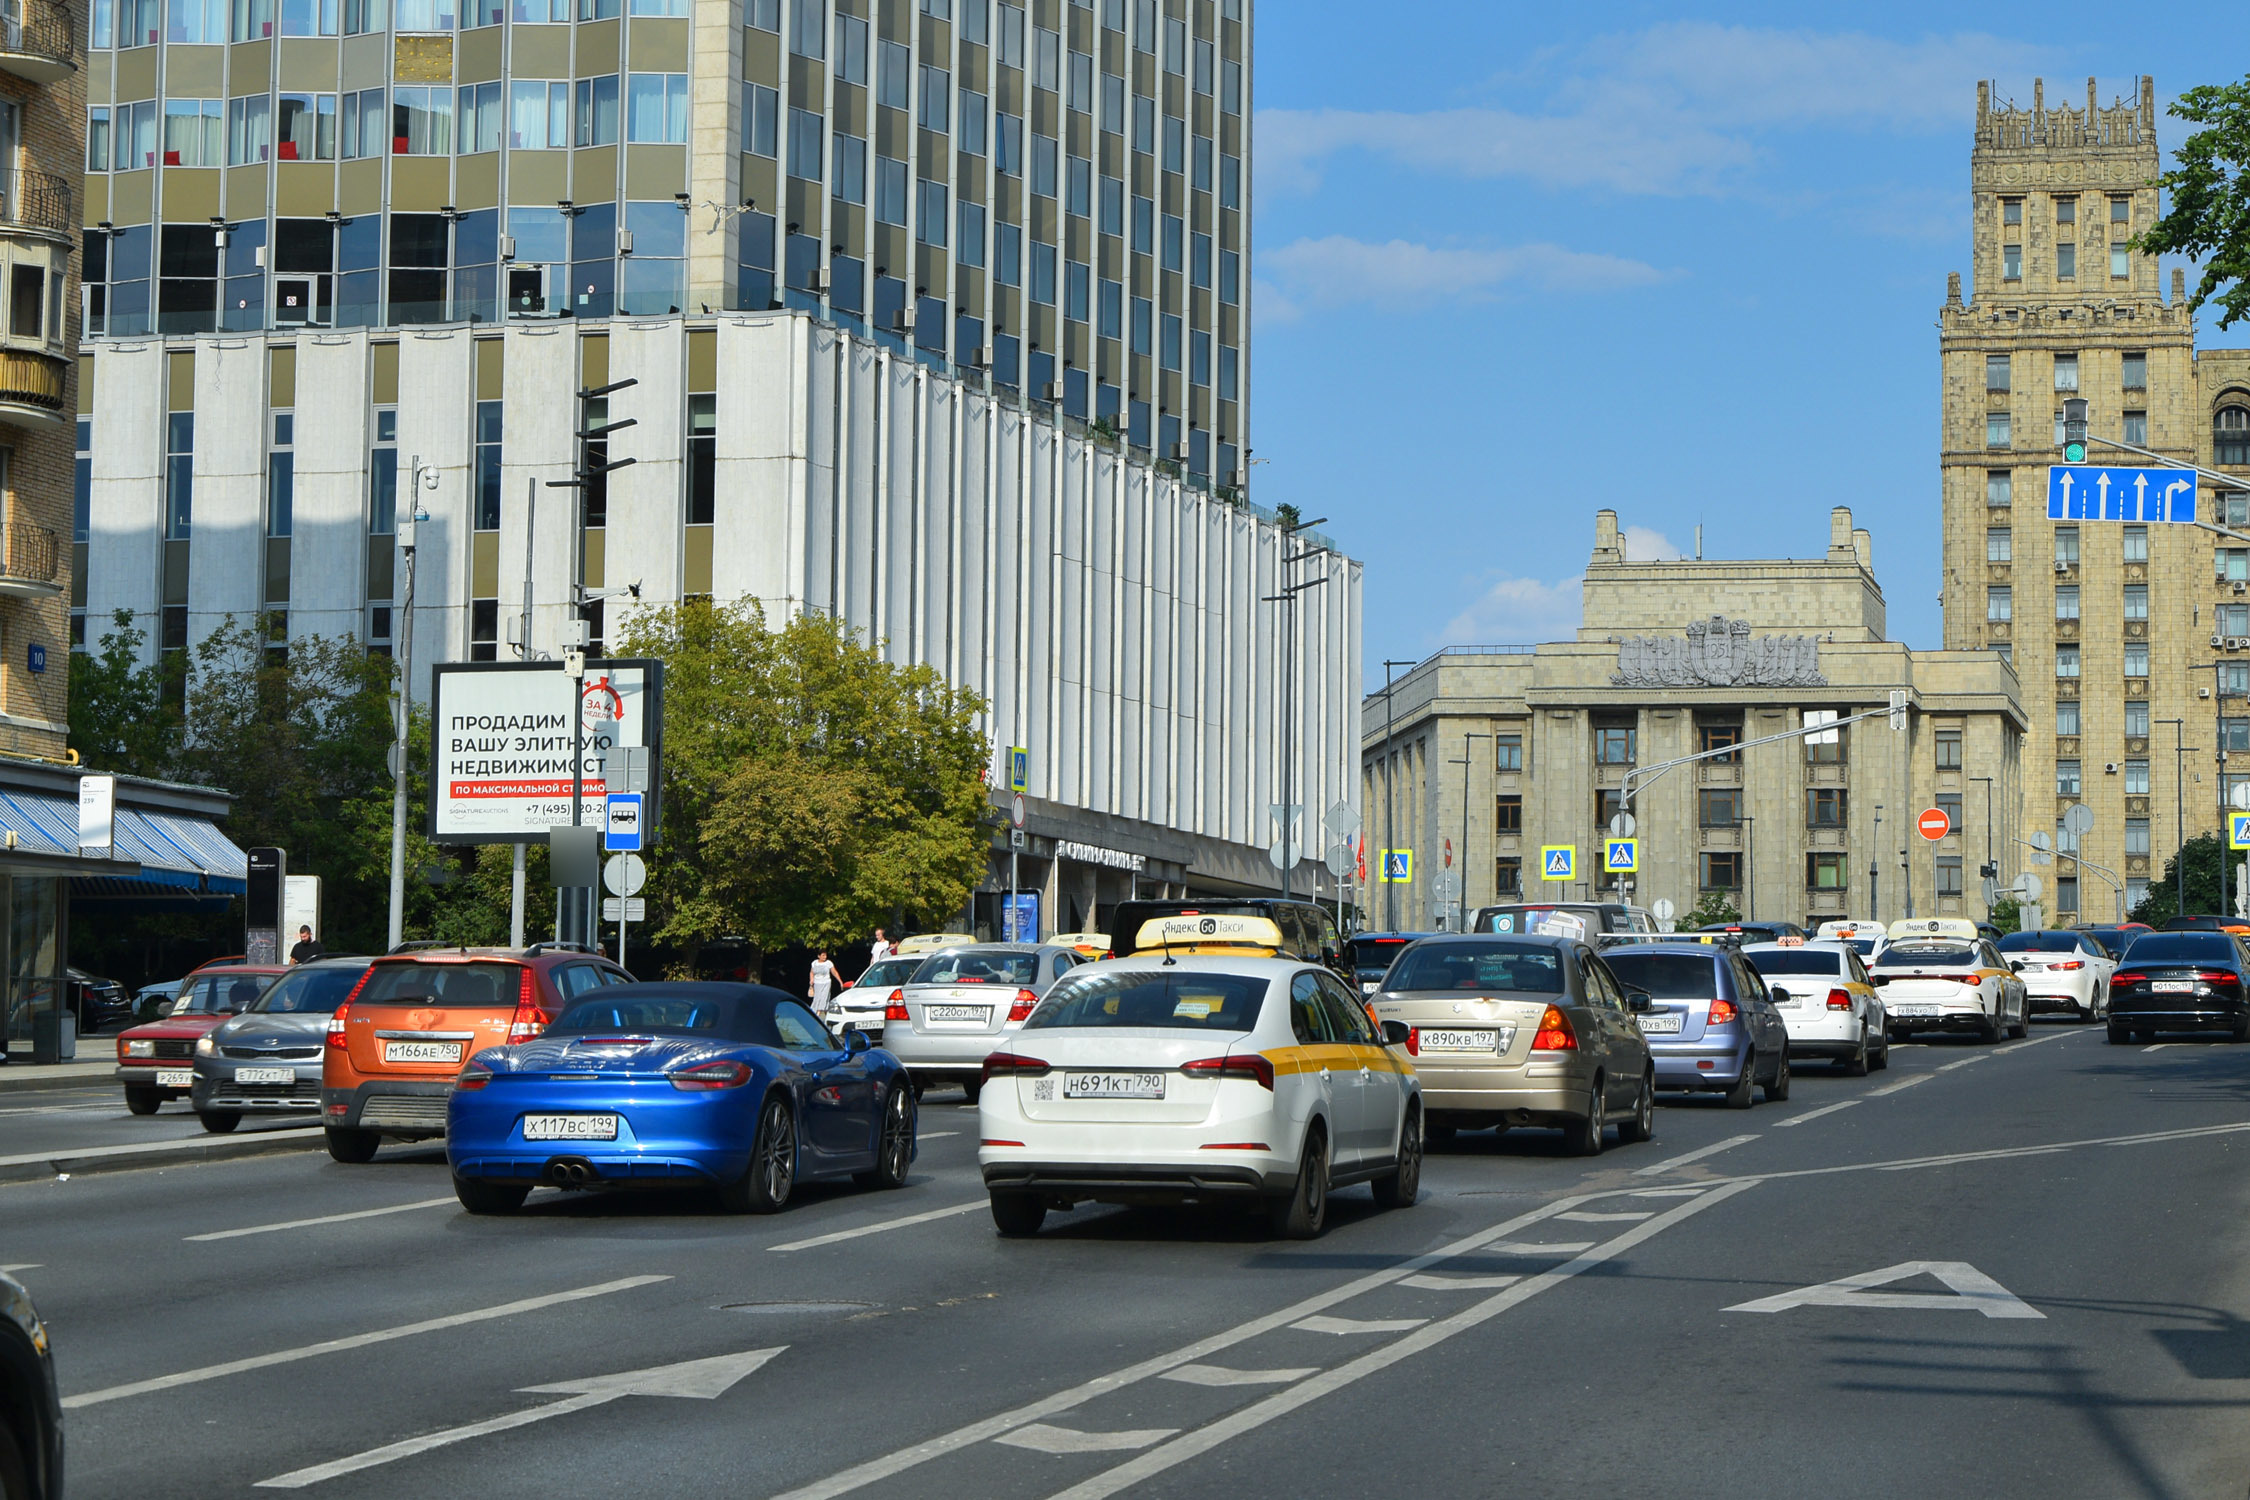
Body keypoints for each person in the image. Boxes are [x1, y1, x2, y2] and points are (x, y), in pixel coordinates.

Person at [807, 949, 839, 1017]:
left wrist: (840, 981)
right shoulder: (814, 963)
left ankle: (818, 1014)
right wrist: (811, 979)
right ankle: (817, 1012)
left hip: (826, 983)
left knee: (824, 997)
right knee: (817, 998)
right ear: (819, 956)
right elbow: (811, 972)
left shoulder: (828, 963)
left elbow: (834, 972)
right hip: (817, 983)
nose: (825, 957)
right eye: (823, 955)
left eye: (825, 955)